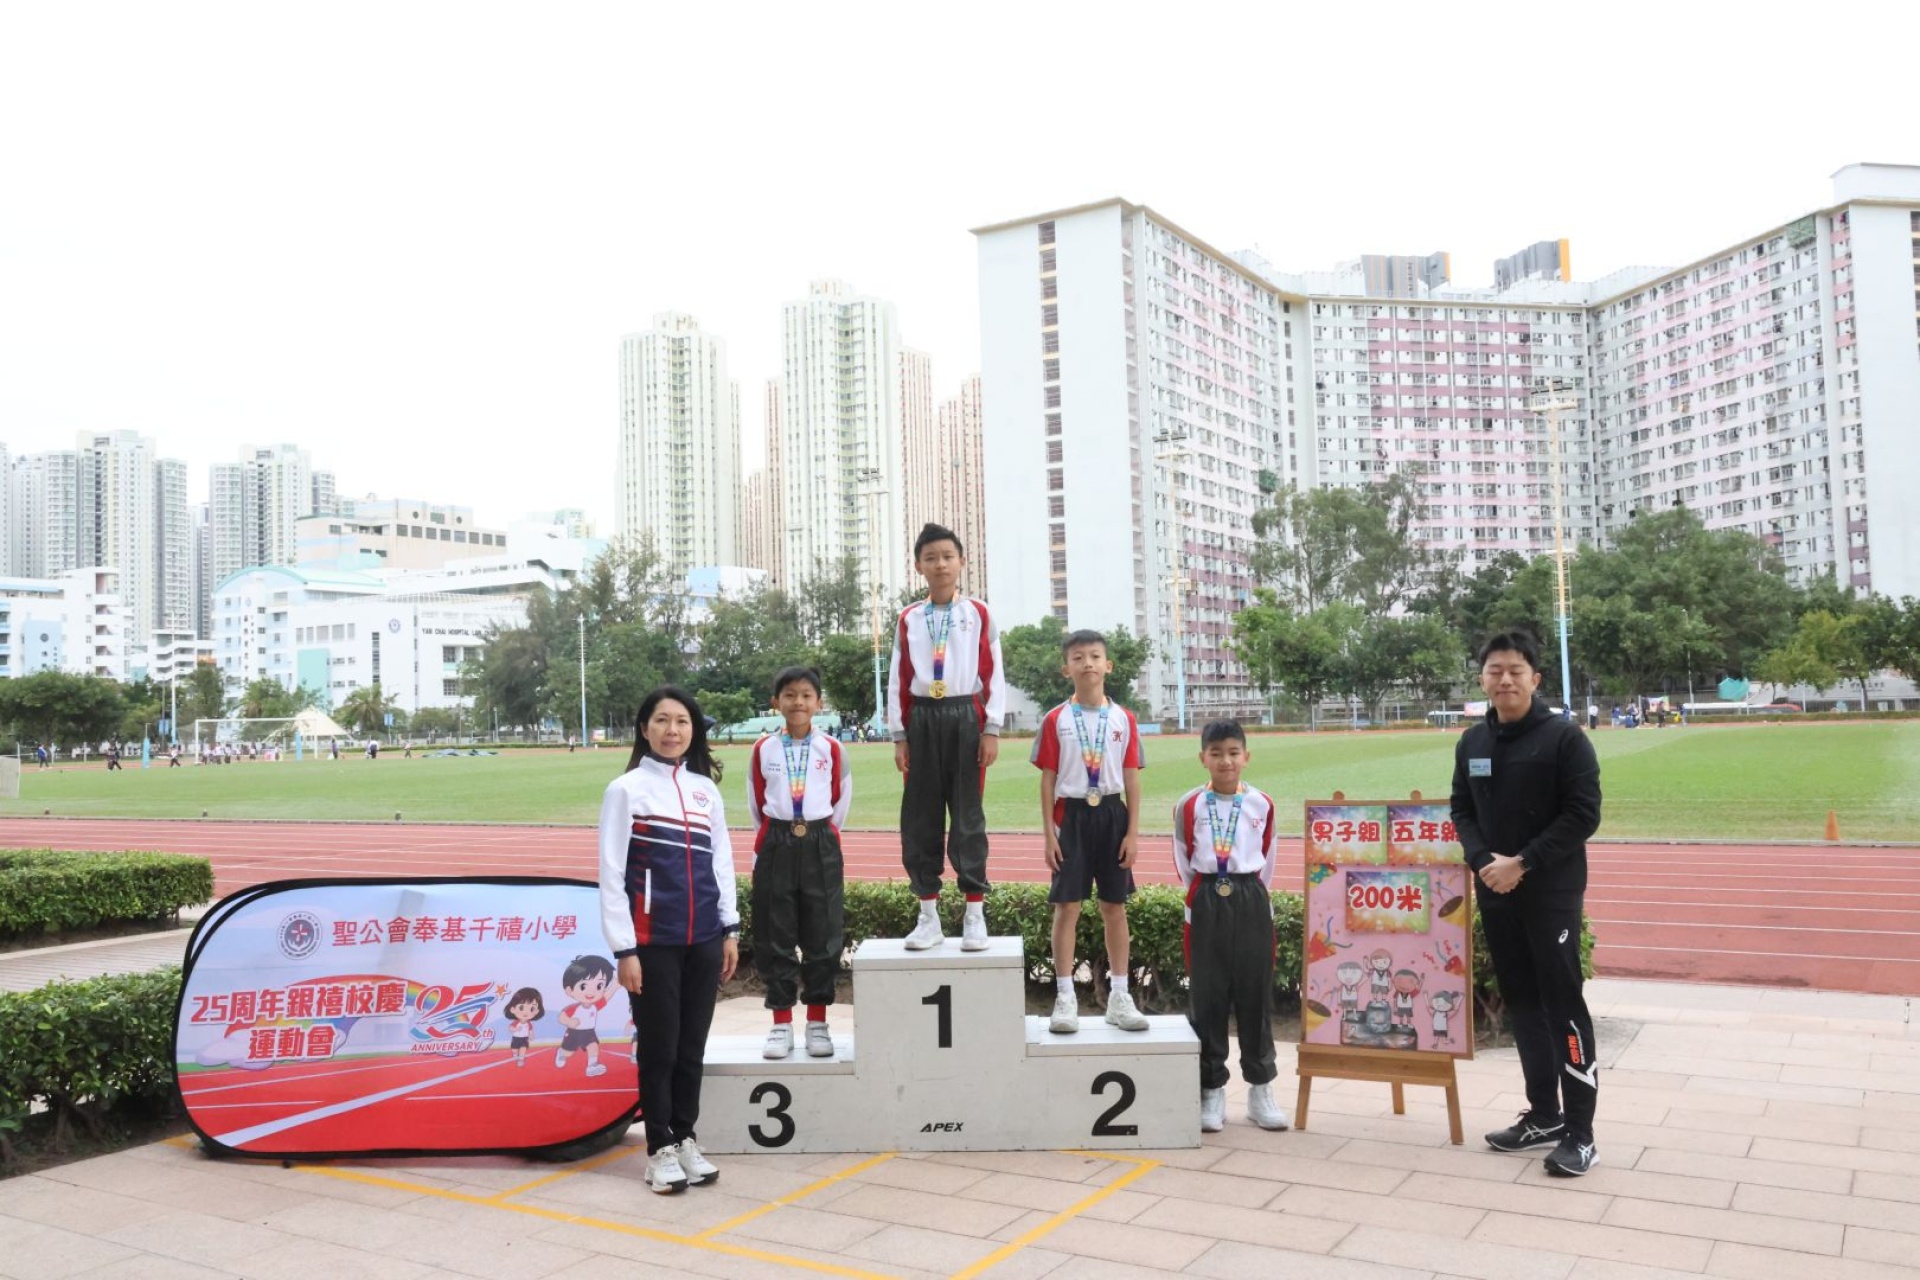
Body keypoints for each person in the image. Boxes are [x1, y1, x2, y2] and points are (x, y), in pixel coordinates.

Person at [1451, 629, 1603, 1176]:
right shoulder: (1472, 742)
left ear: (1535, 679)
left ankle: (1581, 1134)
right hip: (1496, 892)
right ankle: (1543, 1115)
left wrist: (1522, 862)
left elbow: (1583, 814)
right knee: (1523, 1005)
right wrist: (1482, 862)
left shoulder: (1565, 739)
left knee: (1563, 1006)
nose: (1505, 679)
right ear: (1482, 679)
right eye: (1495, 670)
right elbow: (1461, 809)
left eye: (1515, 670)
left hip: (1550, 894)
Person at [599, 686, 739, 1195]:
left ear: (693, 730)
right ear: (644, 729)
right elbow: (612, 875)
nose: (672, 730)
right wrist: (625, 949)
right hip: (652, 942)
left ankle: (684, 1139)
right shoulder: (625, 790)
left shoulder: (705, 791)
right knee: (659, 1049)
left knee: (690, 1048)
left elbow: (721, 861)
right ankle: (658, 1148)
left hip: (704, 939)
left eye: (682, 721)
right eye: (662, 720)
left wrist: (729, 927)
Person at [886, 522, 1007, 952]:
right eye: (931, 558)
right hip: (922, 718)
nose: (940, 564)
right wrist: (899, 735)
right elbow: (898, 678)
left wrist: (991, 727)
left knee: (968, 816)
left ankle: (974, 914)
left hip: (965, 717)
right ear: (919, 566)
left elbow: (993, 672)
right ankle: (928, 917)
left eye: (947, 556)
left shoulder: (979, 613)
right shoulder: (909, 618)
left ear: (962, 562)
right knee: (920, 818)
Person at [1171, 721, 1289, 1134]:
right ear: (1202, 757)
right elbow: (1183, 858)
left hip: (1250, 894)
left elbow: (1268, 857)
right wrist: (1206, 893)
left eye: (1234, 753)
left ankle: (1261, 1089)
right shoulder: (1189, 805)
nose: (1226, 761)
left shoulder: (1262, 803)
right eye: (1216, 753)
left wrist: (1246, 891)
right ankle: (1211, 1090)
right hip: (1206, 895)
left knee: (1255, 992)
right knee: (1208, 995)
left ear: (1246, 757)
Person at [1032, 629, 1148, 1035]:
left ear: (1108, 665)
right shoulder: (1056, 719)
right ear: (1067, 669)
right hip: (1072, 816)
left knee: (1115, 906)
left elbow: (1132, 779)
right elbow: (1047, 780)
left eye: (1095, 656)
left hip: (1113, 814)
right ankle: (1065, 997)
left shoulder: (1124, 719)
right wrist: (1049, 835)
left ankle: (1120, 995)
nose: (1088, 663)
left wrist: (1133, 833)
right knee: (1068, 906)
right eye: (1078, 657)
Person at [745, 667, 851, 1060]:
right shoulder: (763, 749)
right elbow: (756, 801)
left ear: (818, 703)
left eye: (806, 695)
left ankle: (818, 1022)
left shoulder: (832, 748)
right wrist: (777, 836)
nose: (798, 702)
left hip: (820, 839)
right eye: (789, 695)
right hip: (777, 840)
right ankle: (781, 1023)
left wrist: (820, 834)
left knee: (823, 936)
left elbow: (841, 799)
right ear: (776, 702)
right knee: (776, 935)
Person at [504, 987, 544, 1067]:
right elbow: (510, 1028)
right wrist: (515, 1029)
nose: (526, 1012)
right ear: (513, 1009)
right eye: (521, 1008)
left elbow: (530, 1030)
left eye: (532, 1009)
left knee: (523, 1048)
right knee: (514, 1049)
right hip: (516, 1038)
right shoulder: (516, 1022)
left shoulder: (529, 1023)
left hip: (524, 1038)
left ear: (537, 1011)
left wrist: (531, 1036)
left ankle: (521, 1059)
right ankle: (515, 1054)